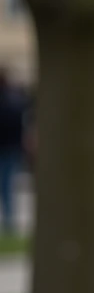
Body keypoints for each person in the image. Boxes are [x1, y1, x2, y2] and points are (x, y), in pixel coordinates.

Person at [0, 69, 28, 235]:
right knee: (8, 186)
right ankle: (9, 220)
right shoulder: (15, 102)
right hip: (12, 148)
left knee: (6, 185)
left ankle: (10, 221)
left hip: (7, 148)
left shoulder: (9, 103)